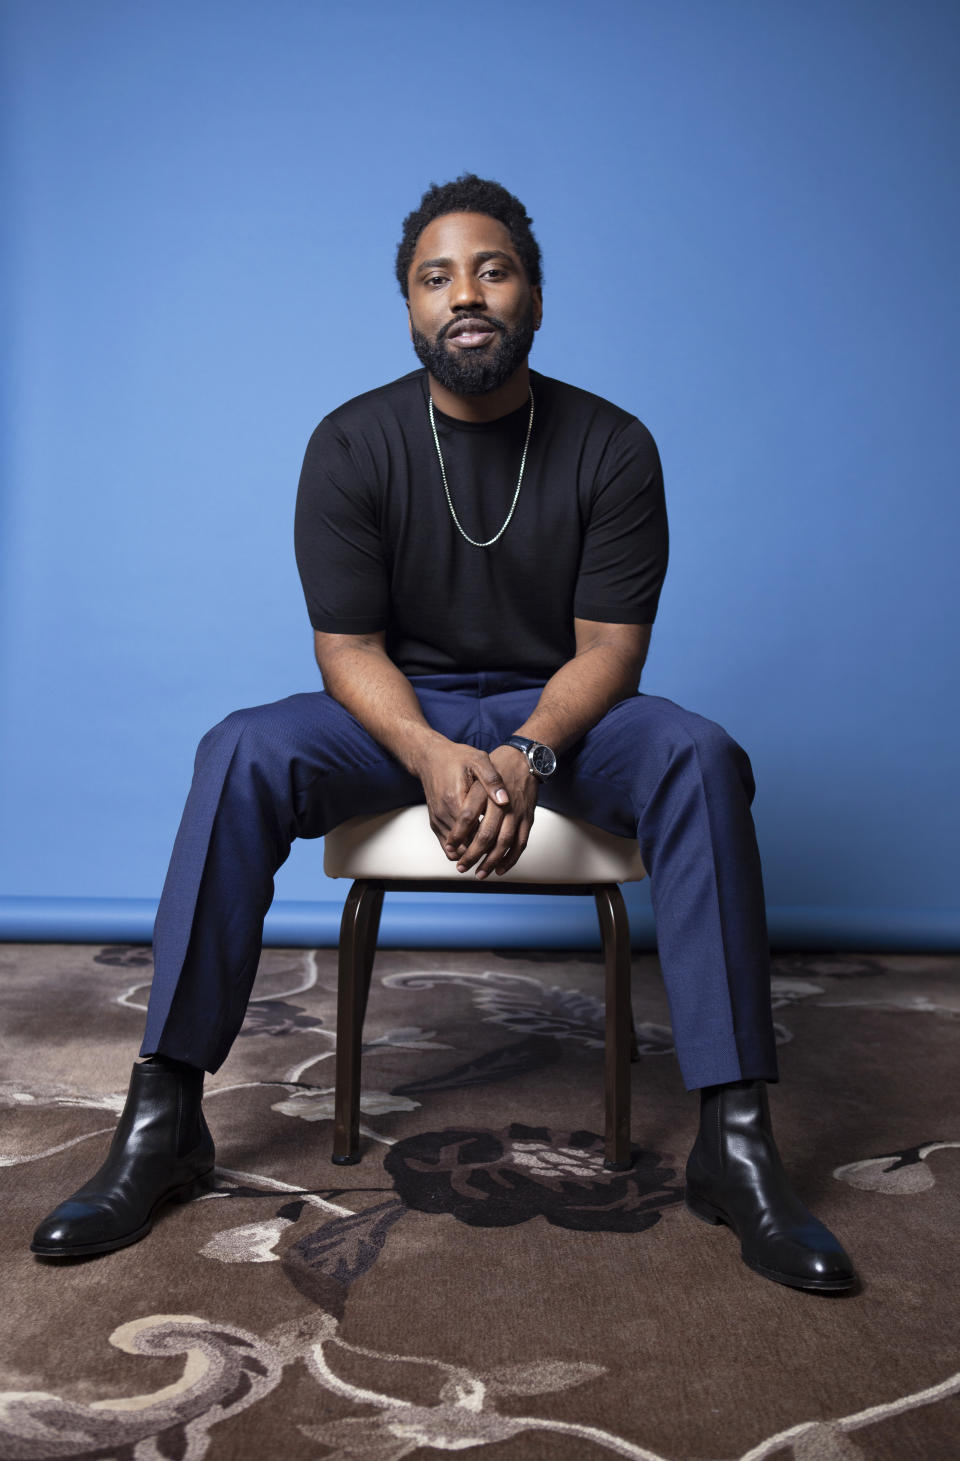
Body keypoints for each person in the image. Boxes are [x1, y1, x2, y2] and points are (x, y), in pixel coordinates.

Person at [32, 174, 855, 1293]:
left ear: (534, 297)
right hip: (396, 716)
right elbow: (346, 650)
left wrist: (525, 753)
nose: (464, 293)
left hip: (559, 713)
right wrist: (427, 753)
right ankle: (166, 1116)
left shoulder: (613, 445)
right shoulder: (351, 442)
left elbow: (611, 652)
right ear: (411, 308)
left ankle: (736, 1142)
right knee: (239, 748)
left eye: (491, 268)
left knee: (699, 754)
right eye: (436, 277)